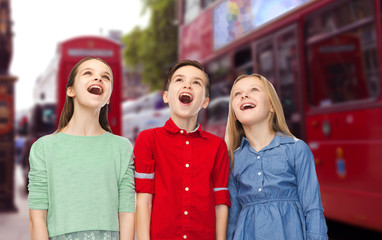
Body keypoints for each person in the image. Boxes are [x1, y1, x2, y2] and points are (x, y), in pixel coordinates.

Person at [28, 57, 135, 240]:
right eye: (88, 73)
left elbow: (126, 214)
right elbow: (37, 218)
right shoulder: (43, 148)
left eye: (105, 77)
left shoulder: (122, 148)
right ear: (71, 91)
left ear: (108, 97)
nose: (98, 79)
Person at [134, 60, 231, 240]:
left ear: (205, 102)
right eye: (179, 80)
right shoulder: (148, 140)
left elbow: (220, 202)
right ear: (165, 96)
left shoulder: (217, 146)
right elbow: (144, 201)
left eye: (196, 82)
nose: (187, 84)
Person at [226, 74, 328, 240]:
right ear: (235, 114)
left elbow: (313, 208)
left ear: (271, 105)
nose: (244, 95)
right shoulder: (233, 160)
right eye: (237, 94)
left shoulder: (296, 149)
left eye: (254, 89)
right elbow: (232, 220)